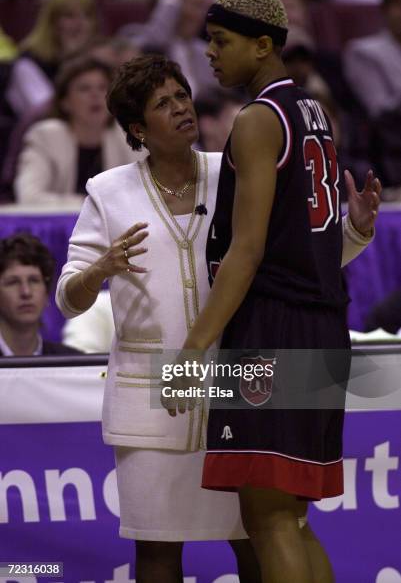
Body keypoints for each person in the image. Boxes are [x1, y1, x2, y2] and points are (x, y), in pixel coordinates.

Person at [56, 53, 377, 583]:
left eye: (182, 95)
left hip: (236, 389)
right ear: (138, 128)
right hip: (151, 397)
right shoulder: (107, 192)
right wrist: (101, 270)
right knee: (158, 555)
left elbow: (288, 263)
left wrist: (355, 233)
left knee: (257, 543)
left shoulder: (231, 166)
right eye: (164, 104)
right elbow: (68, 298)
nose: (182, 107)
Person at [162, 0, 381, 583]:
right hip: (323, 326)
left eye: (221, 41)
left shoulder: (258, 119)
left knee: (268, 521)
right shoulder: (316, 110)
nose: (209, 53)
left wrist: (194, 349)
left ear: (263, 46)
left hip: (271, 333)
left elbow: (248, 249)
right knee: (293, 518)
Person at [14, 56, 136, 207]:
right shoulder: (45, 136)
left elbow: (145, 194)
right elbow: (29, 197)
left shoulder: (127, 136)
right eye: (84, 89)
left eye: (102, 88)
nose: (95, 95)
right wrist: (92, 204)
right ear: (65, 102)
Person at [6, 0, 99, 116]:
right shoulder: (28, 62)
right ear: (51, 23)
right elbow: (46, 113)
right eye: (69, 16)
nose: (80, 23)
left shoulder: (97, 59)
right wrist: (71, 61)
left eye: (87, 16)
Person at [0, 233, 80, 356]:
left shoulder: (72, 362)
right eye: (13, 282)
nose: (26, 292)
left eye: (34, 280)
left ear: (47, 293)